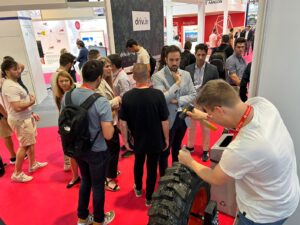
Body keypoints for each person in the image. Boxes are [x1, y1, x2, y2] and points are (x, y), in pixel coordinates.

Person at [179, 79, 300, 225]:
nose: (210, 116)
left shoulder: (244, 147)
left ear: (218, 110)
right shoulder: (261, 104)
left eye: (210, 112)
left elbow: (214, 177)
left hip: (264, 214)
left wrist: (189, 161)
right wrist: (205, 116)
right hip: (286, 193)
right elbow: (234, 118)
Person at [61, 60, 115, 225]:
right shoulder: (101, 101)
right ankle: (99, 220)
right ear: (99, 78)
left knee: (85, 180)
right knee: (98, 185)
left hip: (76, 147)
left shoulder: (67, 95)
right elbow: (108, 134)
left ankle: (82, 217)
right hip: (96, 149)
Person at [120, 63, 169, 206]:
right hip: (155, 139)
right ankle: (148, 198)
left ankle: (138, 189)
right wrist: (166, 138)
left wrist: (125, 140)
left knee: (138, 162)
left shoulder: (127, 97)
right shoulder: (158, 95)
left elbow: (123, 123)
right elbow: (164, 120)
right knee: (152, 167)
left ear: (133, 77)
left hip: (137, 139)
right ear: (148, 76)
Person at [152, 45, 196, 176]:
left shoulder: (186, 74)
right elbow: (162, 99)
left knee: (177, 148)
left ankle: (176, 174)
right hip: (167, 119)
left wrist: (177, 100)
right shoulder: (158, 77)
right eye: (171, 60)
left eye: (177, 59)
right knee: (165, 151)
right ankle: (164, 177)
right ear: (166, 59)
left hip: (183, 116)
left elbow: (193, 95)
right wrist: (176, 84)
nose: (175, 63)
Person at [1, 59, 48, 183]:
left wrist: (31, 112)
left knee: (30, 142)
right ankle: (17, 173)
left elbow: (21, 65)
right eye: (14, 69)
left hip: (25, 117)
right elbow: (16, 107)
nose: (18, 71)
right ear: (6, 71)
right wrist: (31, 102)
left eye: (17, 69)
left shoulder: (13, 80)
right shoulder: (10, 86)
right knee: (24, 145)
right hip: (19, 119)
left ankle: (33, 164)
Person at [185, 43, 219, 161]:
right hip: (192, 102)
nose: (200, 57)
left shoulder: (213, 69)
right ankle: (190, 147)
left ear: (206, 55)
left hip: (205, 103)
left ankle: (205, 150)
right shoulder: (188, 69)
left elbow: (216, 87)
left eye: (203, 55)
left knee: (205, 127)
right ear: (195, 54)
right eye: (198, 54)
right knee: (191, 126)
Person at [97, 57, 122, 192]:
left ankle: (110, 172)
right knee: (112, 150)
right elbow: (102, 104)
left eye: (110, 66)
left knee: (113, 149)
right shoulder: (99, 83)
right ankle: (107, 178)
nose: (109, 68)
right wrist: (117, 100)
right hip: (107, 122)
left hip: (112, 120)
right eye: (106, 66)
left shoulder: (105, 81)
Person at [53, 71, 81, 188]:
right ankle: (75, 176)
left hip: (78, 126)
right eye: (61, 81)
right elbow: (61, 113)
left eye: (66, 80)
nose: (64, 83)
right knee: (71, 153)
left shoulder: (76, 92)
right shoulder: (59, 96)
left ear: (70, 80)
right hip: (67, 127)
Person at [107, 54, 132, 157]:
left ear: (113, 65)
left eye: (109, 65)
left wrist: (117, 102)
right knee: (121, 127)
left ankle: (131, 147)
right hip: (119, 106)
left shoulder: (122, 77)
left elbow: (126, 94)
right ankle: (128, 144)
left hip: (124, 107)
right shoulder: (116, 74)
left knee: (127, 128)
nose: (108, 67)